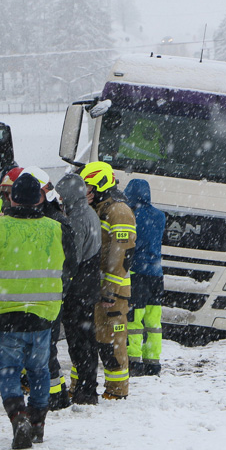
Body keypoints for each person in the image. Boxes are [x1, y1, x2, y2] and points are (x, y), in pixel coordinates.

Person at [0, 173, 76, 449]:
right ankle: (37, 423)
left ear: (11, 197)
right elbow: (71, 267)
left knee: (8, 370)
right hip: (43, 315)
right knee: (40, 370)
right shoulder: (57, 229)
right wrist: (59, 294)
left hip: (6, 315)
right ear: (40, 199)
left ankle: (18, 416)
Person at [79, 162, 136, 400]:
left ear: (102, 184)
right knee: (90, 339)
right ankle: (81, 385)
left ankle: (117, 389)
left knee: (111, 341)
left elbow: (121, 253)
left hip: (112, 292)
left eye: (89, 187)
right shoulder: (96, 208)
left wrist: (110, 290)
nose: (86, 193)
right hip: (95, 288)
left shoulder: (118, 211)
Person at [22, 167, 75, 411]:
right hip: (37, 295)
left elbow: (69, 263)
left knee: (45, 348)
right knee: (38, 348)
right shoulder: (40, 220)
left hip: (48, 297)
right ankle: (53, 391)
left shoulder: (56, 223)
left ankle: (56, 396)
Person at [56, 173, 102, 405]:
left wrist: (62, 288)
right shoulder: (89, 213)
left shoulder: (77, 218)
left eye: (63, 194)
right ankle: (88, 387)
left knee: (78, 340)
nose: (61, 199)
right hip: (89, 284)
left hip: (78, 288)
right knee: (87, 337)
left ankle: (86, 389)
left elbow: (71, 258)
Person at [123, 179, 165, 377]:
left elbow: (132, 244)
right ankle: (153, 361)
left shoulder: (131, 216)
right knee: (153, 320)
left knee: (134, 319)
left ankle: (134, 360)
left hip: (137, 273)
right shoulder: (160, 216)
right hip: (156, 274)